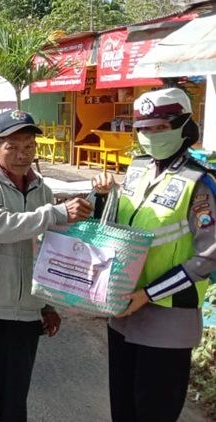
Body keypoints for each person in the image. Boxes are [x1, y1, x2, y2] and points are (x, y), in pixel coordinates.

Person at [91, 87, 216, 422]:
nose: (149, 136)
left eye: (159, 127)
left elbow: (208, 256)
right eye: (143, 129)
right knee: (123, 408)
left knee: (154, 410)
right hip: (123, 313)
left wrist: (148, 294)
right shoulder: (138, 169)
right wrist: (104, 197)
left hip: (168, 318)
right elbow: (118, 228)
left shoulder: (200, 183)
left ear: (183, 126)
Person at [0, 110, 93, 422]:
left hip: (27, 314)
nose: (23, 155)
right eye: (13, 146)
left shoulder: (41, 189)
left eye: (29, 147)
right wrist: (57, 213)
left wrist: (46, 304)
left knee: (14, 406)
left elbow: (47, 250)